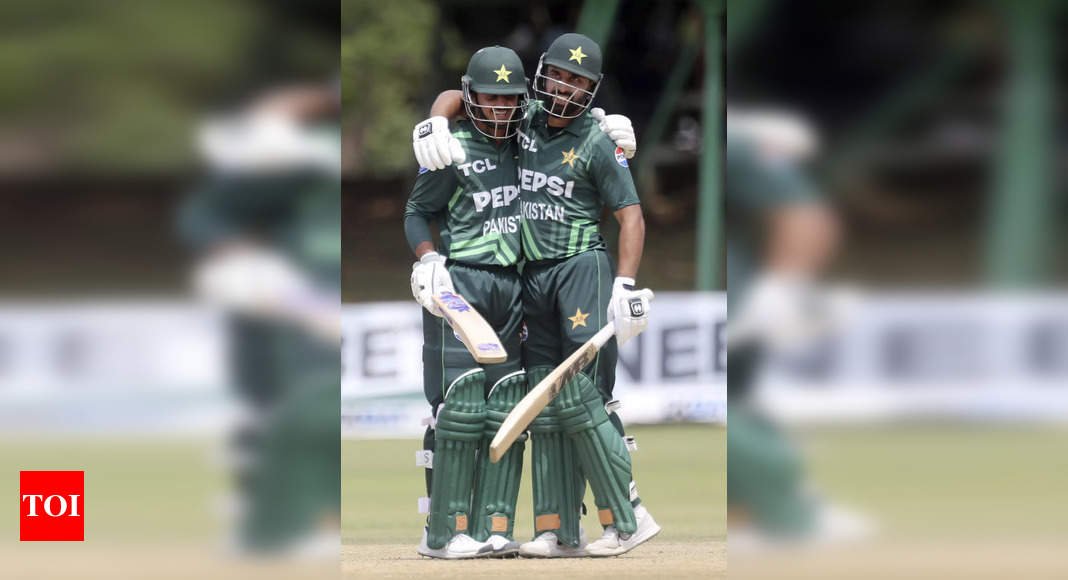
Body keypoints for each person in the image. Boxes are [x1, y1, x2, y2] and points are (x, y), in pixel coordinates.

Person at [414, 33, 659, 558]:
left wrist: (625, 283)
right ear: (541, 73)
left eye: (579, 82)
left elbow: (632, 216)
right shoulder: (520, 118)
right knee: (543, 403)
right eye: (559, 76)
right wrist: (435, 119)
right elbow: (463, 95)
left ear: (594, 90)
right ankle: (558, 529)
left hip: (581, 266)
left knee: (584, 396)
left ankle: (627, 513)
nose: (566, 89)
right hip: (532, 278)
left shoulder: (599, 138)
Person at [404, 46, 531, 559]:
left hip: (515, 286)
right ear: (471, 96)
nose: (501, 108)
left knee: (507, 410)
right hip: (459, 284)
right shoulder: (449, 146)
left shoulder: (533, 142)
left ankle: (494, 527)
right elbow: (417, 212)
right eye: (490, 98)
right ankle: (443, 533)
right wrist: (428, 259)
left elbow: (570, 113)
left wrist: (608, 123)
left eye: (509, 99)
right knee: (457, 409)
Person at [725, 110, 872, 548]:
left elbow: (803, 213)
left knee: (733, 402)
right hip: (735, 290)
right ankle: (770, 517)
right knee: (734, 402)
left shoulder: (739, 140)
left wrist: (785, 286)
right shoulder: (740, 137)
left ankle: (784, 516)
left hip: (738, 293)